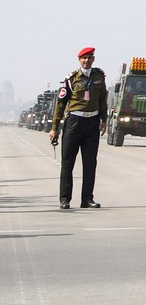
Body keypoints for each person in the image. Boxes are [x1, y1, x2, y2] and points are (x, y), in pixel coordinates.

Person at [48, 45, 108, 209]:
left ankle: (87, 199)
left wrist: (104, 120)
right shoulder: (71, 78)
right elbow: (60, 104)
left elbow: (103, 100)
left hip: (92, 122)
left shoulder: (99, 77)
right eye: (84, 58)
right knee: (68, 162)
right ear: (79, 60)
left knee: (90, 163)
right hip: (74, 122)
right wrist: (55, 127)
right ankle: (65, 199)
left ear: (94, 59)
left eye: (90, 58)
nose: (87, 61)